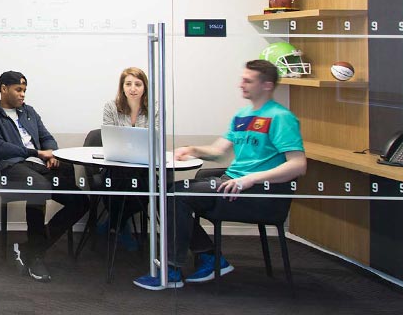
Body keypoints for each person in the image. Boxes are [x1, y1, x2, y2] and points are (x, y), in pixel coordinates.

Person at [133, 59, 307, 290]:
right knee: (168, 193)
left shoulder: (281, 117)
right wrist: (192, 149)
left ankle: (173, 270)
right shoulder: (243, 115)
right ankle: (209, 257)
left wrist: (250, 179)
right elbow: (218, 151)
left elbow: (297, 165)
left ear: (266, 85)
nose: (241, 84)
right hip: (231, 183)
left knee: (174, 196)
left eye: (248, 80)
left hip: (256, 193)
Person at [0, 70, 89, 282]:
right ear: (4, 89)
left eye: (24, 90)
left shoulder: (29, 112)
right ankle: (36, 256)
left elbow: (47, 137)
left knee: (81, 201)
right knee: (38, 187)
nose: (22, 95)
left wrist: (51, 153)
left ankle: (31, 248)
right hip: (11, 167)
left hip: (40, 165)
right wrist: (35, 153)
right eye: (18, 90)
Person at [100, 67, 154, 251]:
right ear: (122, 87)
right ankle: (122, 227)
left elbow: (156, 138)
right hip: (116, 165)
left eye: (138, 84)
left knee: (146, 189)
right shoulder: (111, 107)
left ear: (144, 87)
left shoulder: (153, 108)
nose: (133, 88)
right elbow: (108, 136)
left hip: (142, 167)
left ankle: (113, 224)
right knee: (111, 186)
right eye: (128, 84)